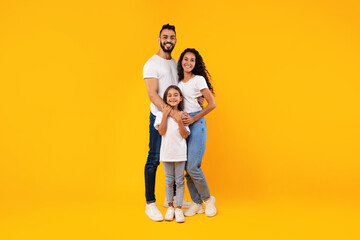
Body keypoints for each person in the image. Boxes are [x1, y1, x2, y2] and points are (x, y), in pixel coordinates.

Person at [143, 24, 192, 221]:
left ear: (176, 40)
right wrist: (171, 113)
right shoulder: (151, 63)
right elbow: (152, 94)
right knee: (154, 158)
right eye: (165, 37)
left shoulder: (176, 63)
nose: (168, 40)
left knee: (175, 157)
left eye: (172, 37)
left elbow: (182, 88)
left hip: (177, 119)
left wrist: (195, 99)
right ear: (159, 39)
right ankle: (150, 203)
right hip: (159, 118)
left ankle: (171, 199)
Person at [177, 48, 217, 217]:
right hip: (183, 124)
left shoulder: (198, 79)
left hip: (196, 122)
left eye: (192, 60)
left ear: (196, 64)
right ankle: (197, 203)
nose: (188, 62)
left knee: (193, 166)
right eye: (185, 59)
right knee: (186, 167)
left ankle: (208, 200)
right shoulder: (178, 83)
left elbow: (212, 104)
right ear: (181, 62)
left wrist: (194, 118)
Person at [154, 85, 190, 223]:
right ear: (165, 99)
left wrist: (179, 120)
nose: (172, 97)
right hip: (167, 153)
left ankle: (179, 208)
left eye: (176, 95)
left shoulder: (183, 114)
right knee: (169, 181)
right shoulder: (159, 114)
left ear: (180, 98)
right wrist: (165, 114)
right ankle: (170, 206)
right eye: (169, 95)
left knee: (179, 181)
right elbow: (161, 131)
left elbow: (185, 135)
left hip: (180, 153)